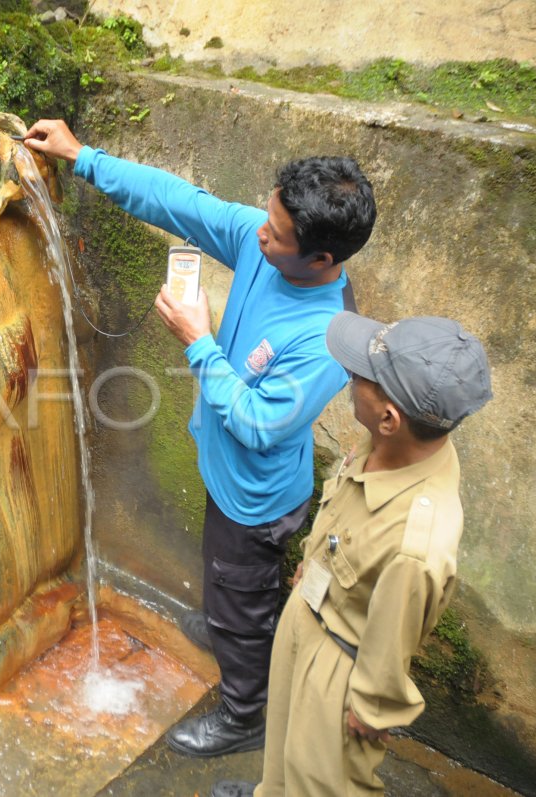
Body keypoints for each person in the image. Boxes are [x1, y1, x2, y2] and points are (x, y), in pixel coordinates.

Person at [23, 120, 378, 756]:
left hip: (256, 498)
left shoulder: (326, 335)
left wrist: (198, 340)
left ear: (323, 259)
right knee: (233, 585)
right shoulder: (263, 238)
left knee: (239, 589)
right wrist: (83, 158)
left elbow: (256, 424)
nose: (258, 235)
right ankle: (232, 620)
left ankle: (245, 714)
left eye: (275, 235)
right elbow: (179, 201)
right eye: (264, 219)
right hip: (229, 478)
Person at [211, 313, 493, 797]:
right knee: (282, 747)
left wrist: (370, 708)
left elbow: (390, 639)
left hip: (341, 662)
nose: (350, 375)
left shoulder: (417, 544)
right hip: (311, 607)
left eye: (363, 375)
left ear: (389, 417)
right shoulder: (393, 442)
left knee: (322, 776)